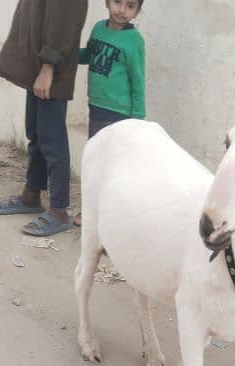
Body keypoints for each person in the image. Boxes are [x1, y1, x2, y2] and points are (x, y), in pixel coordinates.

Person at [0, 0, 88, 236]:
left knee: (52, 140)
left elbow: (65, 21)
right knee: (35, 132)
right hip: (37, 66)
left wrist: (48, 68)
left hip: (51, 71)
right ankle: (31, 194)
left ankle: (59, 210)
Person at [74, 0, 146, 226]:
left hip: (119, 113)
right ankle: (92, 213)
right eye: (117, 2)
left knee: (113, 167)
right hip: (96, 107)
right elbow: (88, 55)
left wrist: (137, 117)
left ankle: (111, 217)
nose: (122, 10)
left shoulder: (134, 41)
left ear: (137, 12)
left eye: (130, 6)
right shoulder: (97, 28)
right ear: (107, 2)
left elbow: (138, 79)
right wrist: (66, 52)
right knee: (95, 162)